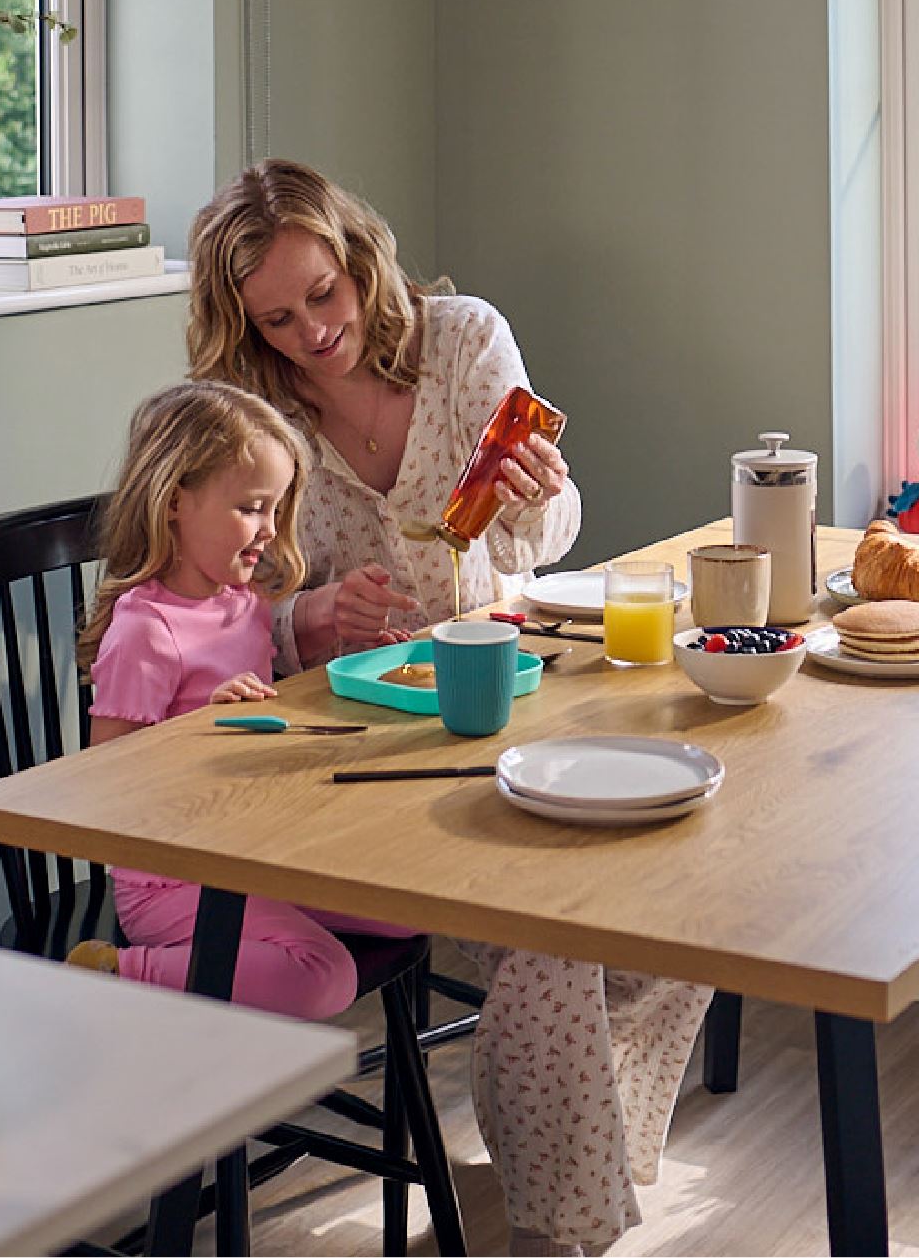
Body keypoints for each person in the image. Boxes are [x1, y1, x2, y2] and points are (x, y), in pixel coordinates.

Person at [187, 160, 713, 1257]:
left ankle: (551, 1179)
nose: (309, 332)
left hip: (507, 697)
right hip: (346, 751)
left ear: (356, 259)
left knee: (687, 908)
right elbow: (222, 603)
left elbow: (550, 532)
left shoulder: (466, 342)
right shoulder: (253, 413)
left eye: (321, 294)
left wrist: (542, 492)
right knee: (564, 944)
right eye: (275, 317)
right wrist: (306, 617)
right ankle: (554, 1229)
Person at [65, 380, 415, 1019]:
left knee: (412, 904)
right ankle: (116, 972)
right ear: (176, 503)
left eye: (276, 509)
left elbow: (262, 724)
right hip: (171, 876)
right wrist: (198, 731)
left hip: (255, 847)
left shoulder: (245, 606)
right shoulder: (147, 632)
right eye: (252, 507)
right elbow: (101, 791)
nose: (269, 530)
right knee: (323, 975)